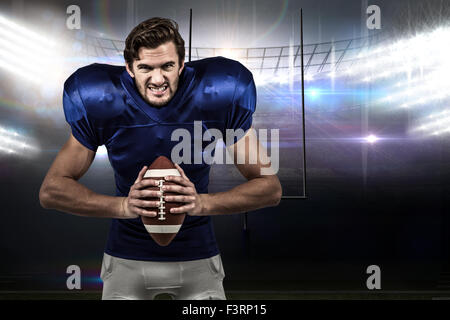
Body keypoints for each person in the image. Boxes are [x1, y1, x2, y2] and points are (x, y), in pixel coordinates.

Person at [39, 17, 282, 300]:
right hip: (126, 258)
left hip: (198, 257)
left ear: (181, 64)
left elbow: (270, 186)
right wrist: (123, 206)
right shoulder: (100, 98)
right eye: (145, 68)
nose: (158, 80)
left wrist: (202, 202)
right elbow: (52, 190)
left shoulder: (219, 92)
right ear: (129, 68)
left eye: (167, 66)